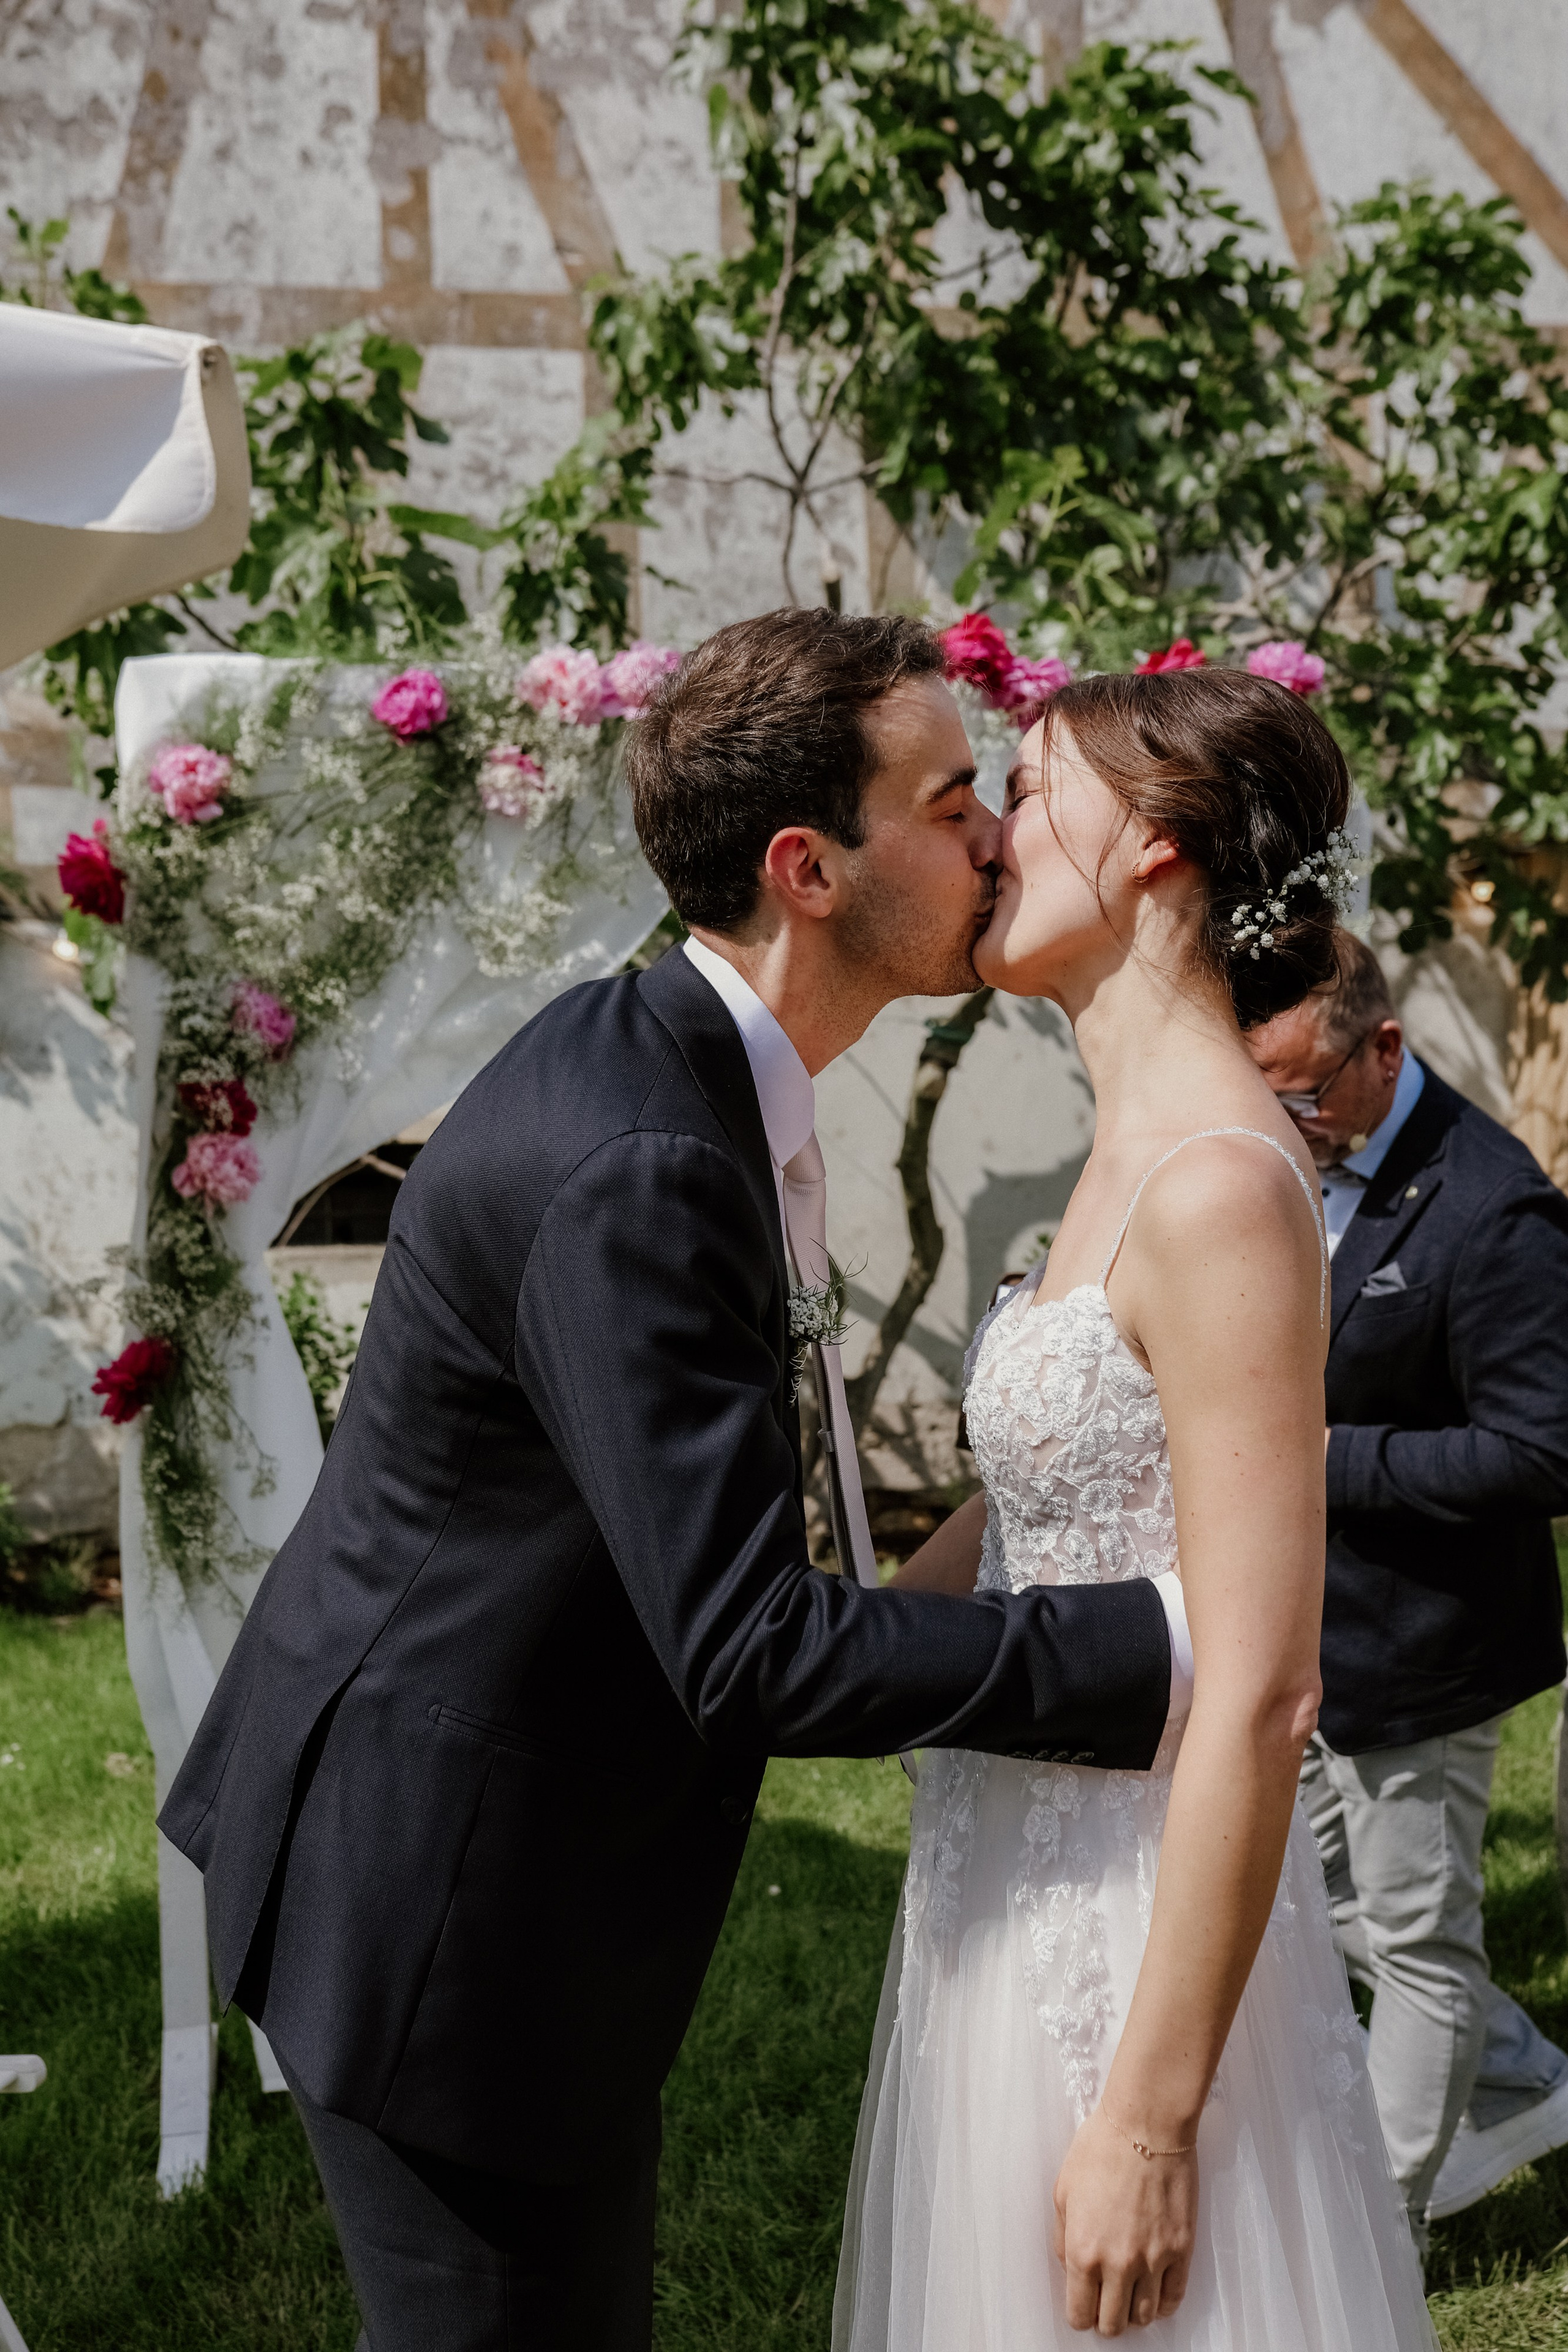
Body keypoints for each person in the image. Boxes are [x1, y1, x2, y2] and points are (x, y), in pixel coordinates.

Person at [156, 612, 1196, 2352]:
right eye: (954, 803)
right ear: (809, 868)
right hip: (439, 1913)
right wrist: (1160, 1647)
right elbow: (753, 1652)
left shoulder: (682, 1069)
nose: (1000, 834)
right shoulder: (645, 1157)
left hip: (492, 1851)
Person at [834, 669, 1434, 2348]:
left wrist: (1154, 2117)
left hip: (1134, 1923)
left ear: (1156, 844)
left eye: (1022, 793)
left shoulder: (1226, 1188)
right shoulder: (1116, 1156)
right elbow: (1032, 1514)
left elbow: (1264, 1687)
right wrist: (808, 1645)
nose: (986, 836)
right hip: (996, 1889)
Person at [1246, 932, 1568, 2245]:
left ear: (1383, 1047)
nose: (1287, 1125)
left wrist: (1324, 1460)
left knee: (1416, 1941)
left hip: (1423, 1643)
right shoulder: (1295, 1147)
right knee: (1313, 1910)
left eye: (1306, 1095)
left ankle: (1372, 2241)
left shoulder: (1495, 1207)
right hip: (1302, 1630)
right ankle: (1534, 2091)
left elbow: (1543, 1449)